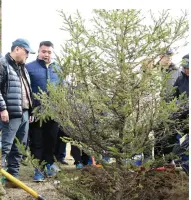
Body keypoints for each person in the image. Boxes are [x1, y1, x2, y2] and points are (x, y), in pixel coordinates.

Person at [0, 39, 34, 187]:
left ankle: (12, 178)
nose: (27, 55)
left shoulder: (23, 68)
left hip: (25, 114)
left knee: (20, 147)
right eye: (26, 52)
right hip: (10, 114)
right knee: (5, 147)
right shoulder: (3, 64)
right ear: (18, 49)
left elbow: (28, 91)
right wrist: (2, 108)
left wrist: (31, 110)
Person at [26, 41, 61, 182]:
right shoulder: (29, 68)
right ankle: (38, 169)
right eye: (44, 51)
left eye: (49, 52)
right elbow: (26, 91)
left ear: (52, 53)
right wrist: (30, 111)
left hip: (54, 113)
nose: (46, 54)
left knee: (51, 141)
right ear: (39, 52)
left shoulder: (58, 69)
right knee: (37, 141)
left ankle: (48, 165)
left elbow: (62, 90)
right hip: (36, 112)